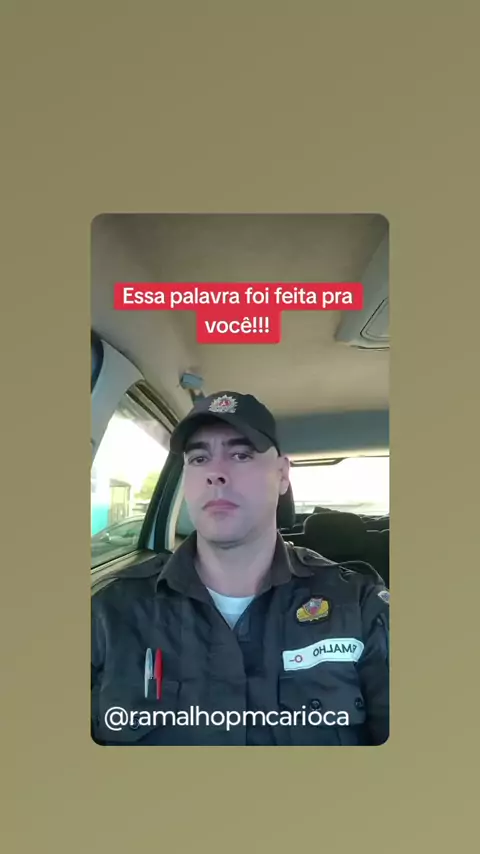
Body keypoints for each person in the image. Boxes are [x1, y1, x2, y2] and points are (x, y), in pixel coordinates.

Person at [91, 391, 389, 746]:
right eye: (199, 458)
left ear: (282, 475)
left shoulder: (359, 606)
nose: (215, 473)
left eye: (241, 455)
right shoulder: (109, 613)